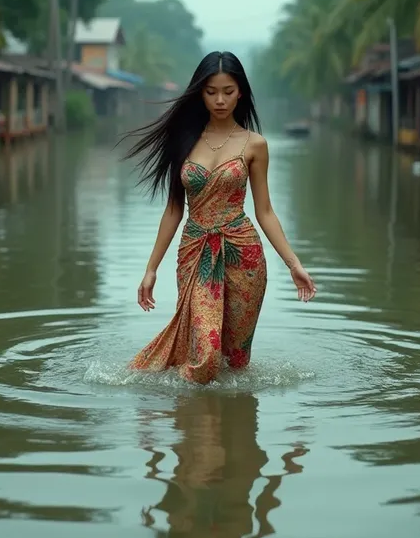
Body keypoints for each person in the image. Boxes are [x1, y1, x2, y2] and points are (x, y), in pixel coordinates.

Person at [124, 51, 316, 384]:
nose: (220, 100)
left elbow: (265, 211)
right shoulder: (183, 141)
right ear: (200, 92)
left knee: (236, 361)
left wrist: (293, 263)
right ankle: (190, 424)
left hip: (245, 256)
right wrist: (150, 268)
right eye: (211, 91)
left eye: (228, 91)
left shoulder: (255, 144)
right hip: (195, 252)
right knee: (208, 352)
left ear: (240, 91)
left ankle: (232, 429)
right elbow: (173, 210)